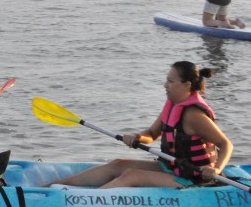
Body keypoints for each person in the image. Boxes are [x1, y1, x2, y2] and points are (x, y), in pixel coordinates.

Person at [47, 61, 233, 189]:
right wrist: (136, 137)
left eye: (170, 81)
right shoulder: (173, 106)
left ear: (186, 85)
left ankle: (85, 201)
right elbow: (152, 134)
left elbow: (226, 144)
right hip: (173, 167)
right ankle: (52, 187)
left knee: (132, 175)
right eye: (166, 80)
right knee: (118, 164)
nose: (165, 85)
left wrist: (216, 169)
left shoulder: (194, 115)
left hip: (195, 178)